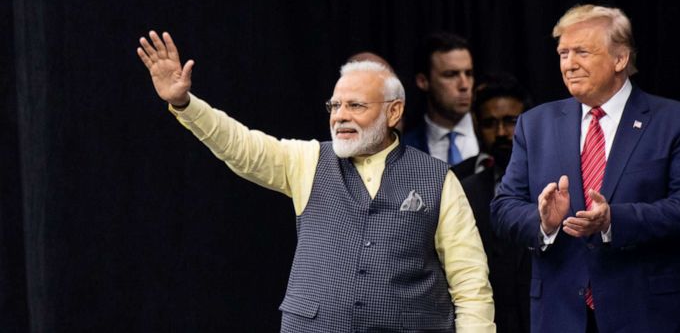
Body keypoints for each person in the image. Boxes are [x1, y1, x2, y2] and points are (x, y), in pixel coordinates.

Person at [136, 31, 495, 333]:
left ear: (394, 112)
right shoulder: (308, 160)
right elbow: (241, 146)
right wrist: (185, 103)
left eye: (355, 106)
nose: (340, 116)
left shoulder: (437, 178)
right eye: (334, 106)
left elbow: (470, 285)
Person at [491, 5, 680, 333]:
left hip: (647, 314)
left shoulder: (676, 122)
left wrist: (614, 220)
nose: (569, 64)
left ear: (620, 58)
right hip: (560, 315)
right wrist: (543, 222)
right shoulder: (534, 124)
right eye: (563, 53)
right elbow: (503, 207)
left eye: (581, 51)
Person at [459, 73, 532, 332]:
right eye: (490, 123)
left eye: (511, 121)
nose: (501, 133)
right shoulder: (462, 188)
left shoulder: (557, 182)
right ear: (477, 126)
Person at [403, 32, 479, 165]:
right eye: (451, 75)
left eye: (469, 74)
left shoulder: (494, 138)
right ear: (423, 81)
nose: (465, 85)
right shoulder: (404, 149)